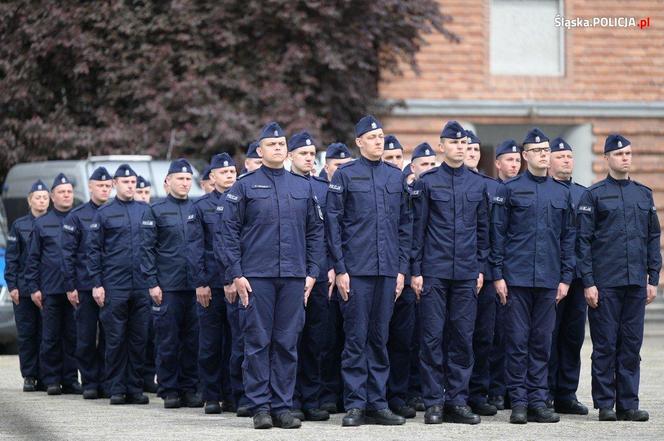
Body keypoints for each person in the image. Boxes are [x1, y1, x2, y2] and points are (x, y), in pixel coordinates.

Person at [220, 122, 324, 430]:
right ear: (260, 150)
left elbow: (316, 232)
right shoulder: (244, 185)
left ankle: (282, 406)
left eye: (281, 144)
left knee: (286, 343)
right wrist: (236, 274)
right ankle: (260, 407)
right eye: (272, 144)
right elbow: (228, 232)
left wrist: (312, 273)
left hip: (293, 276)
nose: (277, 148)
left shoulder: (302, 186)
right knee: (257, 342)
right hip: (257, 277)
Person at [327, 115, 411, 427]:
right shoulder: (346, 175)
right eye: (372, 137)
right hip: (356, 270)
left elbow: (405, 225)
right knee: (355, 338)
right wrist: (340, 268)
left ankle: (377, 403)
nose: (379, 141)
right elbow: (333, 223)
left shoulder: (394, 176)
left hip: (387, 270)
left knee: (379, 338)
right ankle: (355, 405)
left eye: (381, 137)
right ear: (359, 142)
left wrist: (401, 269)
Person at [490, 128, 575, 424]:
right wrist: (498, 275)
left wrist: (565, 277)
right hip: (516, 279)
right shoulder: (509, 189)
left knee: (541, 343)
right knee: (516, 341)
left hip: (549, 279)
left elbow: (568, 238)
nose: (542, 155)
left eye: (545, 150)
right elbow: (497, 235)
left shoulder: (561, 193)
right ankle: (520, 403)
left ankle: (539, 400)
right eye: (536, 151)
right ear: (525, 156)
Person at [577, 134, 661, 422]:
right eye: (619, 154)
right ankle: (605, 404)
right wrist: (588, 281)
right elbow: (583, 242)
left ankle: (628, 404)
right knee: (605, 346)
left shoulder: (643, 194)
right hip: (605, 284)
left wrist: (653, 277)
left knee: (631, 346)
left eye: (628, 153)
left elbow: (653, 237)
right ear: (607, 158)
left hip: (635, 283)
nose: (625, 157)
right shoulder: (594, 195)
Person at [411, 122, 489, 425]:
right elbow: (418, 230)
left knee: (462, 338)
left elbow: (483, 230)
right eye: (453, 143)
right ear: (441, 147)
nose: (460, 147)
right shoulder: (428, 182)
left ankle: (457, 400)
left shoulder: (477, 183)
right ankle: (434, 402)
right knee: (431, 338)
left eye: (464, 143)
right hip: (434, 271)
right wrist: (416, 270)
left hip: (467, 272)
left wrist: (481, 267)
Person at [88, 164, 151, 405]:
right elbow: (93, 251)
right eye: (125, 182)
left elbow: (152, 247)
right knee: (115, 339)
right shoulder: (104, 213)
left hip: (141, 285)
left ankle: (134, 388)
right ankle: (115, 387)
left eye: (133, 182)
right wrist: (97, 283)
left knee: (138, 339)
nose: (130, 186)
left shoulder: (145, 211)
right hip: (115, 285)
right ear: (115, 184)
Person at [141, 158, 202, 409]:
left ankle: (189, 388)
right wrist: (152, 283)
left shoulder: (197, 208)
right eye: (180, 179)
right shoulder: (155, 210)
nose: (185, 183)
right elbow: (147, 250)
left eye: (188, 179)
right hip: (168, 287)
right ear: (168, 182)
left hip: (194, 286)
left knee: (193, 341)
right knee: (167, 340)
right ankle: (169, 389)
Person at [387, 142, 435, 419]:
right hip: (381, 273)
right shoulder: (393, 188)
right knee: (376, 339)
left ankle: (401, 394)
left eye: (397, 156)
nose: (394, 161)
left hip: (409, 275)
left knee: (408, 341)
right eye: (389, 157)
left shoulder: (419, 191)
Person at [186, 153, 237, 414]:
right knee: (210, 343)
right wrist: (201, 283)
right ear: (212, 177)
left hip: (237, 284)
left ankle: (232, 395)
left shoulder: (243, 201)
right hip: (212, 285)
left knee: (236, 343)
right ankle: (211, 395)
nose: (229, 176)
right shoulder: (200, 207)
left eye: (232, 172)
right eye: (224, 172)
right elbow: (195, 249)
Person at [288, 131, 333, 422]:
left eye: (312, 154)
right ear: (291, 155)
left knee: (317, 340)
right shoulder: (284, 185)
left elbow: (332, 232)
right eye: (303, 153)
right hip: (290, 273)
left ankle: (312, 398)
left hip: (318, 274)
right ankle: (289, 399)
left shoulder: (323, 188)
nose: (309, 158)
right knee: (290, 339)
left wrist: (328, 268)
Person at [24, 173, 81, 396]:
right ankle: (51, 379)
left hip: (75, 290)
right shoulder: (42, 223)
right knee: (50, 337)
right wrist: (34, 288)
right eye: (61, 192)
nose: (66, 195)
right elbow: (33, 259)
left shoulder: (79, 219)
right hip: (50, 289)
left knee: (73, 336)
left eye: (69, 192)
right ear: (52, 196)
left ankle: (70, 379)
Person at [546, 137, 589, 415]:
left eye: (570, 157)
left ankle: (566, 393)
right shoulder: (547, 191)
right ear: (549, 160)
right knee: (547, 337)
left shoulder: (585, 195)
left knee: (573, 338)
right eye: (560, 156)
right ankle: (545, 392)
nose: (566, 161)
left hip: (578, 277)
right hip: (550, 276)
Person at [61, 167, 112, 399]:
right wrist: (70, 286)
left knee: (112, 335)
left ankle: (106, 379)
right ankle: (90, 381)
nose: (104, 189)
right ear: (90, 186)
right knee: (86, 335)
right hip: (84, 285)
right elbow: (68, 254)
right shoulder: (77, 215)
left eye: (107, 185)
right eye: (100, 185)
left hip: (112, 284)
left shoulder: (115, 212)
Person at [464, 130, 500, 417]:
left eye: (477, 148)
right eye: (468, 148)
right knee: (455, 336)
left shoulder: (490, 186)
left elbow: (491, 232)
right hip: (456, 272)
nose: (473, 152)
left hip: (484, 274)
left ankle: (478, 392)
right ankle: (453, 393)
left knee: (483, 337)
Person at [487, 139, 523, 411]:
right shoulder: (492, 190)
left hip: (522, 274)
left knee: (520, 338)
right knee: (498, 336)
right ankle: (497, 389)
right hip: (499, 273)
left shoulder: (523, 190)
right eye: (509, 160)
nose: (514, 164)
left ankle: (515, 391)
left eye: (517, 160)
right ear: (497, 163)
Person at [319, 141, 354, 414]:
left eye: (345, 164)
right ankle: (328, 393)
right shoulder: (316, 190)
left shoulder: (351, 187)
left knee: (350, 337)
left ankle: (346, 394)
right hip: (324, 274)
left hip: (351, 272)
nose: (341, 169)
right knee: (327, 340)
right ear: (326, 167)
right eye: (336, 165)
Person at [5, 180, 50, 392]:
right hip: (23, 290)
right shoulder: (19, 225)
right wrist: (12, 285)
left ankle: (47, 375)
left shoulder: (55, 222)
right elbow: (12, 258)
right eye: (38, 197)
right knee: (27, 333)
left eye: (45, 197)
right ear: (30, 200)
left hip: (49, 288)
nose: (42, 200)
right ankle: (30, 376)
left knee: (47, 334)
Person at [133, 175, 157, 393]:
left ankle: (149, 376)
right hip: (132, 284)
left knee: (152, 335)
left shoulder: (154, 213)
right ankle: (137, 378)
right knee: (137, 334)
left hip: (153, 284)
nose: (142, 196)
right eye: (138, 192)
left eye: (145, 192)